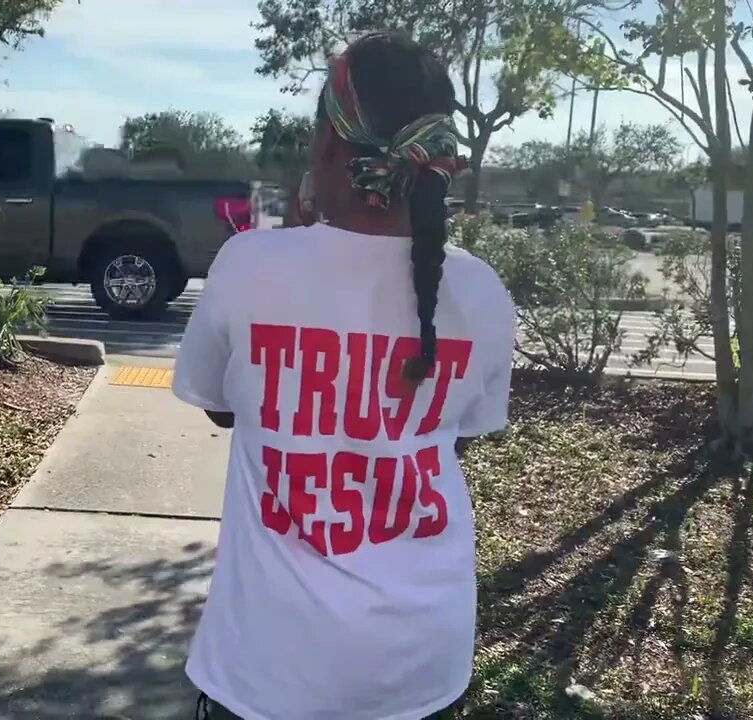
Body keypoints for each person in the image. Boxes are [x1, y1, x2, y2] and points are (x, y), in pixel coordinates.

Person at [172, 31, 516, 720]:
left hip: (269, 672)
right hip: (421, 665)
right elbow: (452, 438)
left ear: (329, 146)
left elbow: (221, 407)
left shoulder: (250, 267)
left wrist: (303, 252)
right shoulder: (481, 293)